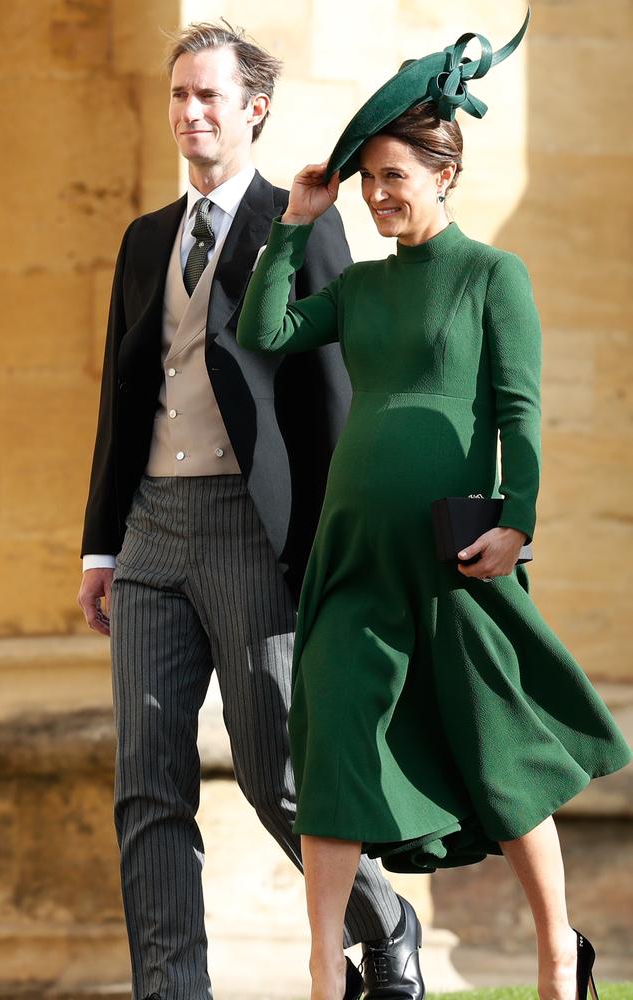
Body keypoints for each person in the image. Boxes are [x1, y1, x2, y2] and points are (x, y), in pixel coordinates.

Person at [236, 10, 632, 1000]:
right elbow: (266, 327)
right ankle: (325, 969)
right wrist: (297, 222)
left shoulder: (493, 275)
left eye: (393, 177)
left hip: (456, 555)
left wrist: (518, 521)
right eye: (366, 178)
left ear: (443, 174)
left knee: (497, 758)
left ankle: (554, 956)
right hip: (353, 556)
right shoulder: (363, 289)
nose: (375, 196)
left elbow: (518, 409)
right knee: (328, 749)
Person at [77, 20, 425, 1000]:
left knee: (279, 780)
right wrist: (99, 545)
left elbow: (330, 402)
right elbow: (121, 396)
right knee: (146, 780)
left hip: (252, 535)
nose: (189, 112)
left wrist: (326, 556)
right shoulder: (145, 239)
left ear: (253, 110)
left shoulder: (301, 224)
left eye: (208, 97)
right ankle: (173, 990)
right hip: (150, 530)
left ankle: (384, 920)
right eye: (177, 94)